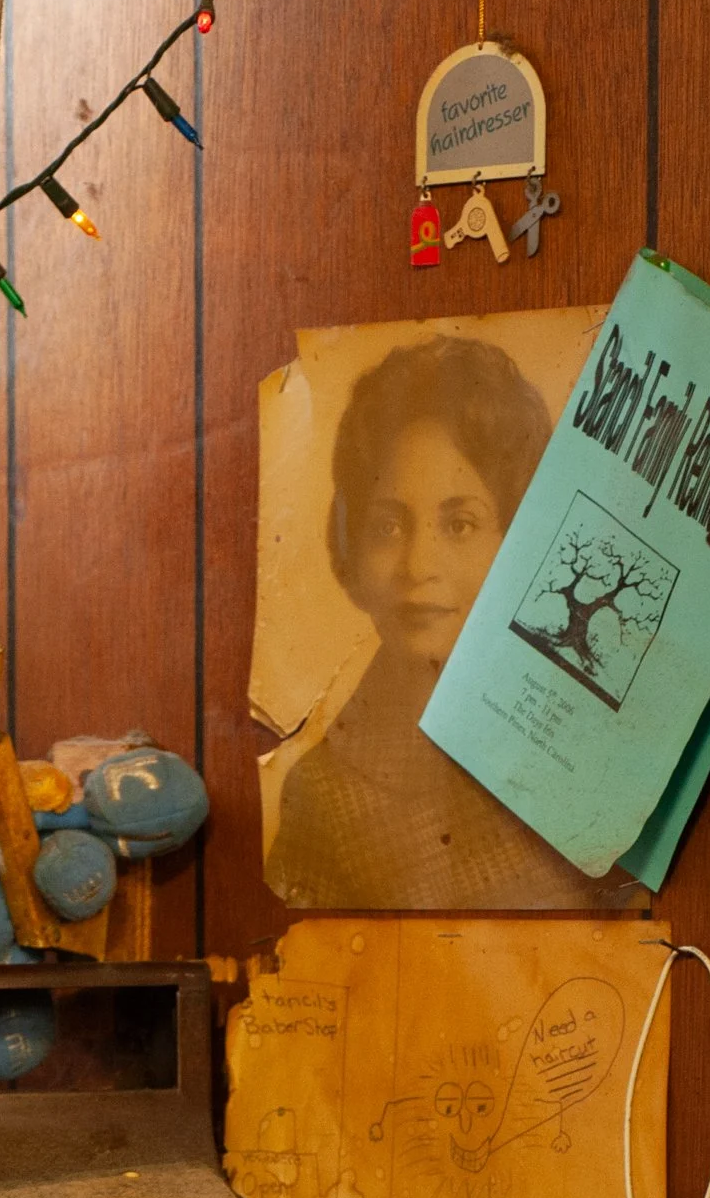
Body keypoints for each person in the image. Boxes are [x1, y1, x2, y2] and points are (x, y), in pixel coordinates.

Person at [265, 335, 640, 910]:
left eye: (460, 524)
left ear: (517, 538)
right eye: (388, 527)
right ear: (352, 547)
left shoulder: (591, 757)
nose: (419, 567)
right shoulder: (324, 797)